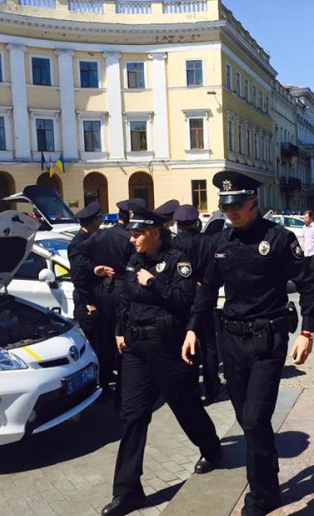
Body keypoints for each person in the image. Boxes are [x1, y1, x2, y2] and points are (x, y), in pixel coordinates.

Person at [182, 170, 314, 516]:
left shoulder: (278, 238)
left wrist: (307, 332)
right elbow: (207, 292)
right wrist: (193, 329)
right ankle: (270, 484)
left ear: (254, 203)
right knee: (247, 420)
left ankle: (259, 497)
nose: (232, 213)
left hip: (267, 341)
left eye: (239, 206)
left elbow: (309, 284)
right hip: (231, 340)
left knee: (256, 419)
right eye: (227, 207)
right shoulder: (220, 243)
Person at [102, 202, 222, 516]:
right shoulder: (133, 261)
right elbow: (124, 299)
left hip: (167, 348)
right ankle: (127, 492)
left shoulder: (176, 262)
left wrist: (153, 283)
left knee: (185, 405)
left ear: (155, 232)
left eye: (138, 233)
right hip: (136, 350)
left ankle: (211, 448)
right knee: (132, 417)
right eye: (131, 233)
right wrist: (118, 329)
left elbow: (185, 301)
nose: (132, 239)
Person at [82, 199, 140, 397]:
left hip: (103, 291)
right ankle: (125, 385)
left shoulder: (100, 235)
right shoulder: (129, 238)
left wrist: (94, 269)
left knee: (104, 339)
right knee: (124, 337)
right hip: (123, 290)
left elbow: (79, 254)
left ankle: (103, 383)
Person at [171, 203, 222, 404]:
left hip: (183, 300)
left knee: (187, 344)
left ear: (178, 224)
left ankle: (192, 388)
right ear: (196, 222)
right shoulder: (209, 242)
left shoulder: (175, 244)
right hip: (206, 298)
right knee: (210, 344)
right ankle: (213, 387)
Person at [68, 201, 102, 368]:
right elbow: (78, 277)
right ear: (93, 221)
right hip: (85, 300)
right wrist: (88, 302)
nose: (101, 221)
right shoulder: (79, 244)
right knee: (89, 339)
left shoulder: (90, 239)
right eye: (99, 218)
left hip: (93, 296)